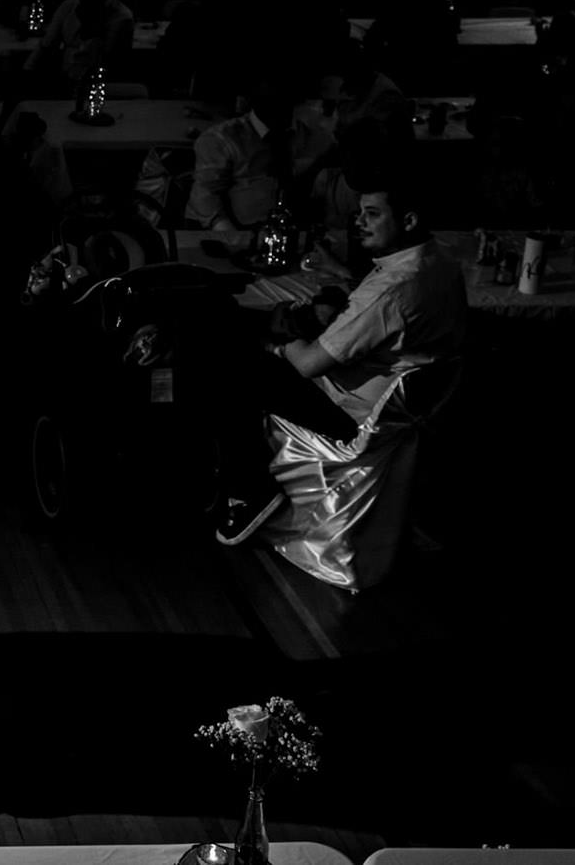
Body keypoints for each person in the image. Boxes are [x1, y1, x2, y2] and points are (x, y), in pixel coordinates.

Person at [214, 165, 467, 545]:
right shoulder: (442, 261)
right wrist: (340, 274)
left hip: (357, 416)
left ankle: (251, 490)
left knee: (235, 367)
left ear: (409, 220)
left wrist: (279, 339)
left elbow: (308, 365)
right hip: (418, 404)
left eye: (373, 214)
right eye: (360, 212)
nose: (359, 222)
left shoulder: (391, 290)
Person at [186, 80, 300, 232]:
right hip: (238, 232)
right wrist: (230, 236)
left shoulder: (312, 138)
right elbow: (206, 196)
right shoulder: (221, 138)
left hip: (292, 229)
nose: (278, 94)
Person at [27, 0, 136, 89]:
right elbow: (47, 43)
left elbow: (105, 59)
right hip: (66, 77)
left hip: (103, 83)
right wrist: (28, 69)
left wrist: (91, 26)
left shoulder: (122, 17)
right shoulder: (69, 6)